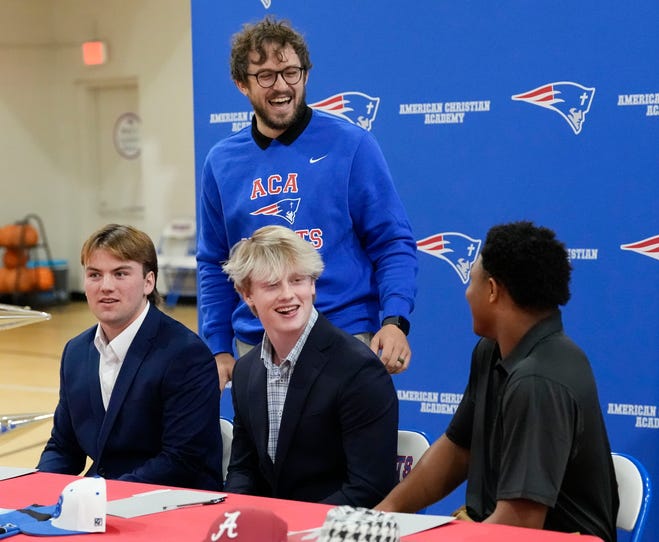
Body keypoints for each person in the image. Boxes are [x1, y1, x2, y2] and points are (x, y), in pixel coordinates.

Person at [197, 15, 418, 390]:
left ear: (306, 75)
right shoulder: (221, 162)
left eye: (290, 72)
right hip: (256, 345)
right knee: (265, 451)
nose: (281, 85)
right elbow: (215, 263)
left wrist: (394, 320)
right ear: (241, 84)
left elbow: (392, 242)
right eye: (265, 75)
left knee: (347, 450)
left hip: (343, 337)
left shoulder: (352, 145)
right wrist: (218, 346)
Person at [375, 221, 618, 542]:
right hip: (493, 525)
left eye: (471, 280)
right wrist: (383, 514)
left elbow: (520, 524)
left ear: (492, 290)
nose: (466, 292)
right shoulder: (492, 350)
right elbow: (458, 450)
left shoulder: (539, 380)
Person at [221, 225, 398, 506]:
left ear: (313, 285)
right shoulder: (245, 371)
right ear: (247, 295)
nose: (288, 295)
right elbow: (243, 469)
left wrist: (292, 527)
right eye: (271, 285)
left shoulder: (359, 370)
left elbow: (370, 487)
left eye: (297, 280)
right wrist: (236, 514)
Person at [38, 224, 223, 490]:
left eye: (120, 273)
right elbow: (63, 447)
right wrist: (38, 489)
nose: (106, 286)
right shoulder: (75, 352)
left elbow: (181, 460)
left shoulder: (186, 354)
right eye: (94, 275)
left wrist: (102, 494)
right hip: (103, 502)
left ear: (149, 281)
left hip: (172, 505)